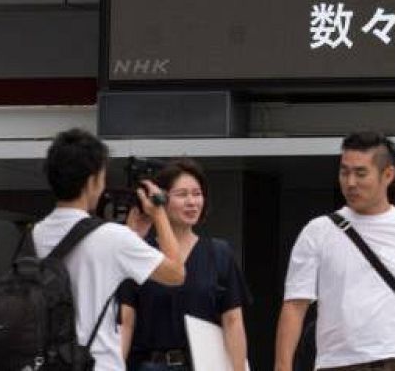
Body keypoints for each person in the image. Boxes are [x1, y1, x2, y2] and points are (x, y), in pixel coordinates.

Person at [275, 132, 395, 371]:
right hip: (337, 363)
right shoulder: (317, 232)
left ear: (388, 175)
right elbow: (294, 305)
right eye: (344, 172)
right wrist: (282, 366)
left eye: (360, 173)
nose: (350, 182)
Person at [33, 129, 187, 371]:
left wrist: (133, 235)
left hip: (49, 363)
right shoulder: (112, 238)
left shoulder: (36, 233)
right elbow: (176, 273)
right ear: (92, 181)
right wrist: (159, 213)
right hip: (96, 363)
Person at [119, 159, 250, 371]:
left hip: (203, 364)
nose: (192, 202)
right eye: (182, 195)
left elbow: (233, 321)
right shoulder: (142, 253)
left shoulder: (219, 253)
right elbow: (126, 322)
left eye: (197, 194)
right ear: (160, 199)